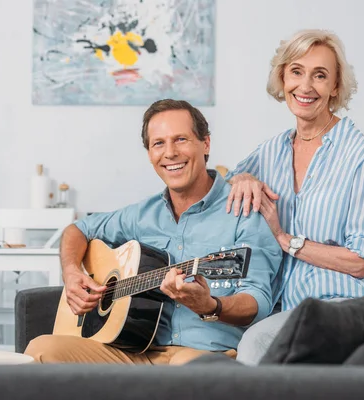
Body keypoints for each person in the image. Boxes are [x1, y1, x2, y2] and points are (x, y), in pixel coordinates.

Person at [25, 99, 282, 365]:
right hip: (132, 351)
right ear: (149, 154)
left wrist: (211, 306)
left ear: (205, 143)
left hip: (202, 355)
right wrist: (71, 272)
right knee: (41, 349)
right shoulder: (141, 214)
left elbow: (257, 301)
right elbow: (76, 230)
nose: (170, 153)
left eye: (180, 139)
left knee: (191, 371)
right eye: (159, 143)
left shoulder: (243, 208)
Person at [225, 29, 364, 364]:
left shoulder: (360, 154)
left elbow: (360, 262)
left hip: (345, 304)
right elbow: (222, 186)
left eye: (320, 75)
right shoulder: (271, 151)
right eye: (297, 71)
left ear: (335, 87)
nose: (305, 86)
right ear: (282, 78)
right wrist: (240, 178)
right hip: (289, 308)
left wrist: (285, 239)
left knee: (254, 347)